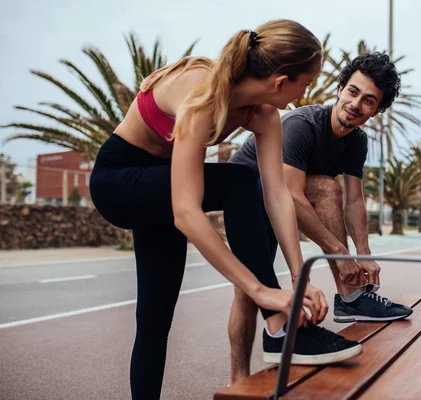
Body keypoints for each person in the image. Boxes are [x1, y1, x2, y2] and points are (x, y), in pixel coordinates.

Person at [89, 20, 363, 400]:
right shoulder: (202, 94)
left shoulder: (264, 115)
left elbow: (277, 196)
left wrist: (301, 278)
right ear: (281, 81)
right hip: (120, 182)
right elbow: (187, 213)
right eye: (306, 83)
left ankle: (280, 328)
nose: (305, 95)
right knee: (236, 179)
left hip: (165, 184)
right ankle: (280, 327)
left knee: (154, 321)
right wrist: (260, 291)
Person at [228, 52, 413, 383]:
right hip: (247, 194)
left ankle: (353, 297)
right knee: (247, 290)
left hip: (283, 198)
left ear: (377, 111)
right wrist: (339, 253)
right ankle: (238, 381)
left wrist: (363, 254)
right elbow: (291, 195)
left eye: (369, 101)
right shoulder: (303, 126)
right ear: (340, 89)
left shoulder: (356, 140)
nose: (356, 104)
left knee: (330, 188)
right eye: (353, 92)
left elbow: (355, 201)